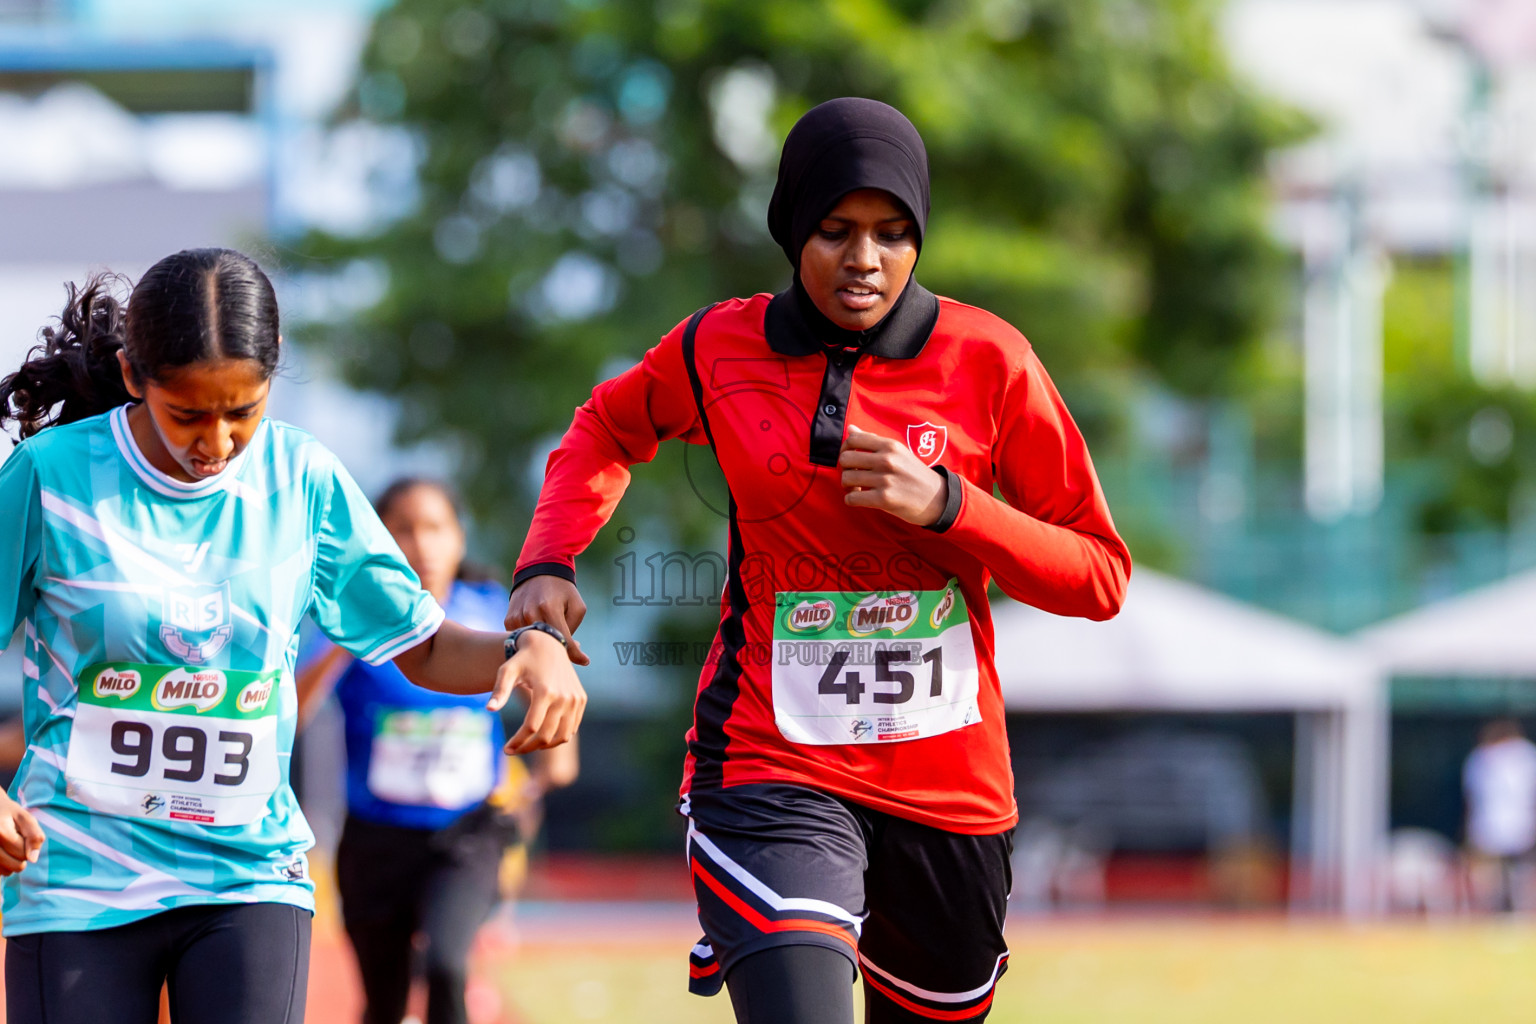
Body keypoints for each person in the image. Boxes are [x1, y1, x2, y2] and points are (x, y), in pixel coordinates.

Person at [506, 98, 1130, 1023]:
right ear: (793, 228)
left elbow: (1098, 576)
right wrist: (547, 562)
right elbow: (606, 426)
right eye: (836, 230)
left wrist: (951, 505)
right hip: (770, 763)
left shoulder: (990, 360)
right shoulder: (719, 346)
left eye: (891, 233)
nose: (864, 258)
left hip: (949, 791)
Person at [0, 248, 586, 1024]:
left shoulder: (302, 479)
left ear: (273, 371)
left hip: (248, 877)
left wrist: (528, 647)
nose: (216, 443)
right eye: (187, 414)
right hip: (77, 877)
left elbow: (424, 646)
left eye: (242, 411)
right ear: (133, 374)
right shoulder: (50, 476)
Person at [295, 477, 578, 1024]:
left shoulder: (491, 608)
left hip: (465, 834)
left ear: (458, 538)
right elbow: (293, 712)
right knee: (384, 1002)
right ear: (378, 540)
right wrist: (340, 643)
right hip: (375, 840)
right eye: (403, 530)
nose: (421, 545)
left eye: (435, 528)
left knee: (448, 966)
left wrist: (551, 770)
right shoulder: (348, 620)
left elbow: (547, 675)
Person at [1463, 718, 1536, 912]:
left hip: (1498, 823)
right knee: (1510, 873)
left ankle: (1506, 907)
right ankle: (1511, 908)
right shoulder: (1526, 754)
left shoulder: (1482, 756)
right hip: (1514, 823)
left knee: (1502, 873)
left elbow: (1471, 797)